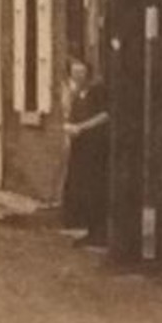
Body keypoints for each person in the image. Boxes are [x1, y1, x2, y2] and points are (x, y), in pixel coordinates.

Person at [61, 56, 111, 248]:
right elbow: (71, 117)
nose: (78, 76)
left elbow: (105, 114)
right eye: (74, 73)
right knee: (80, 187)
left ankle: (99, 231)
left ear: (87, 72)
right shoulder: (77, 93)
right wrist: (68, 128)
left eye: (81, 72)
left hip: (95, 146)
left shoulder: (96, 90)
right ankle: (88, 229)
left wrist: (82, 127)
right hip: (80, 147)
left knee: (94, 186)